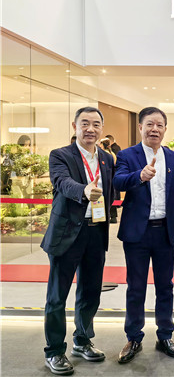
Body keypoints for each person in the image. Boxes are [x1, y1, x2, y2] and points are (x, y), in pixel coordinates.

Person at [113, 107, 174, 364]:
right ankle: (133, 337)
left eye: (159, 125)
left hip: (165, 232)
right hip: (137, 233)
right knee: (136, 287)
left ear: (165, 129)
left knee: (165, 286)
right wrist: (140, 176)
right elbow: (118, 182)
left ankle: (165, 335)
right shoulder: (127, 155)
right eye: (149, 124)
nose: (154, 129)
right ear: (140, 127)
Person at [41, 107, 114, 376]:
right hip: (67, 233)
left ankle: (82, 341)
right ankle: (54, 351)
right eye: (85, 123)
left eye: (96, 124)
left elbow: (112, 189)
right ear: (75, 126)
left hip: (95, 231)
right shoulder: (60, 155)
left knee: (91, 291)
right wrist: (83, 190)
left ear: (102, 128)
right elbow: (61, 182)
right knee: (57, 296)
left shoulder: (106, 158)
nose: (90, 129)